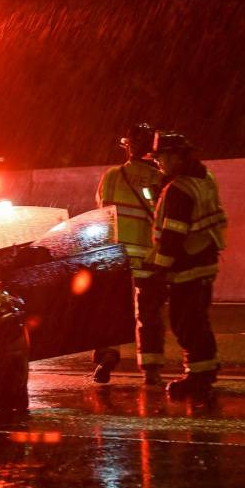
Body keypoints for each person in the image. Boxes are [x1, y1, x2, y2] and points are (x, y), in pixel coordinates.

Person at [146, 132, 227, 399]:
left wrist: (160, 270)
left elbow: (172, 235)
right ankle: (208, 368)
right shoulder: (205, 178)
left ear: (176, 156)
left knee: (185, 323)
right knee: (198, 319)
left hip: (186, 266)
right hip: (206, 259)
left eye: (161, 158)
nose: (159, 164)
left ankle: (197, 376)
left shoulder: (179, 189)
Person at [95, 123, 166, 385]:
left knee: (109, 312)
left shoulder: (112, 176)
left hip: (116, 260)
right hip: (149, 260)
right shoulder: (161, 180)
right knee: (149, 317)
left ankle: (107, 356)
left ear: (128, 148)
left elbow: (102, 213)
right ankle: (151, 371)